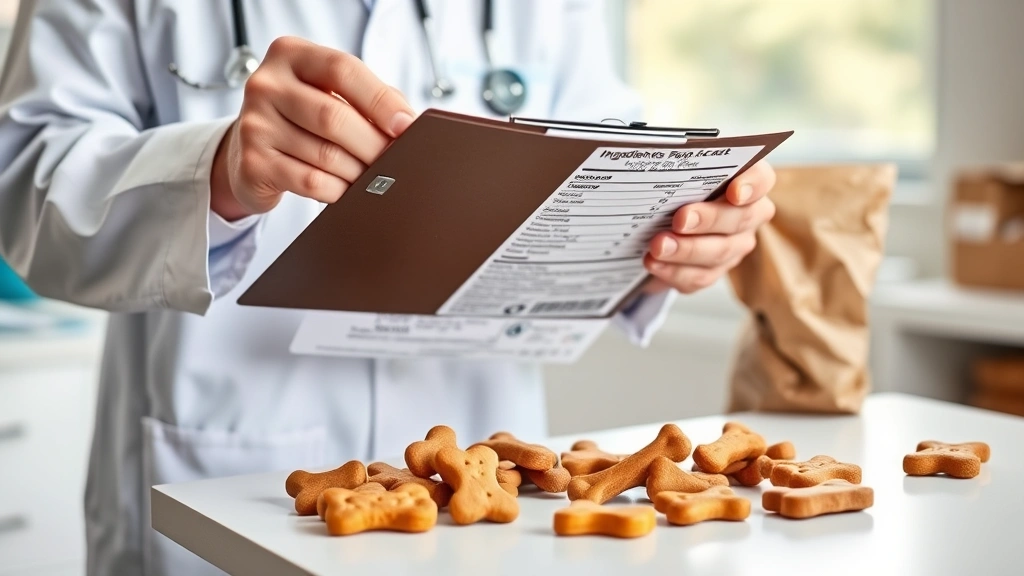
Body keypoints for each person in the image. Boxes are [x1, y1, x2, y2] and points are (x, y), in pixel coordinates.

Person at [0, 1, 777, 574]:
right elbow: (23, 189)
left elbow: (600, 153)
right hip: (220, 481)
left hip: (488, 496)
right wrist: (220, 171)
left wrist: (677, 236)